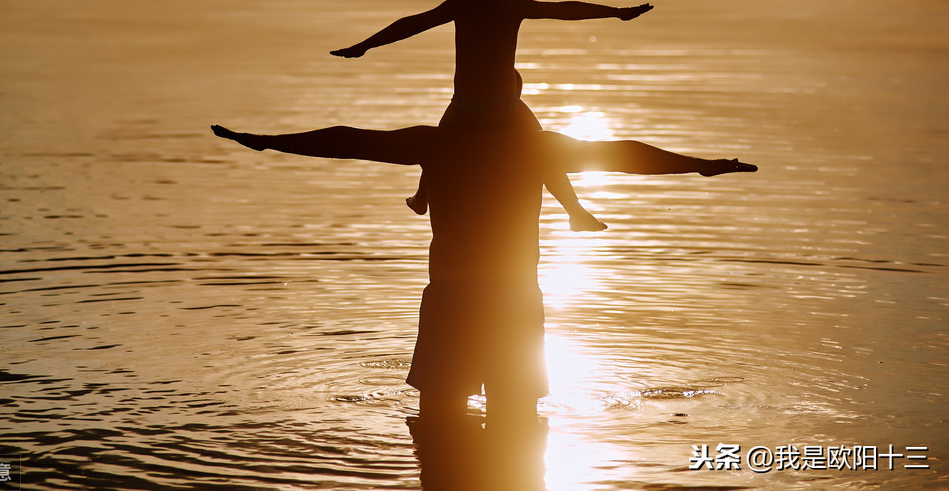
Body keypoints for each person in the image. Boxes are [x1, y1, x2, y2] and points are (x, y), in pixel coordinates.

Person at [210, 122, 756, 421]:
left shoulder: (438, 143)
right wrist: (700, 165)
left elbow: (350, 140)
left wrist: (269, 142)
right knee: (513, 420)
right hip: (511, 296)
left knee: (440, 416)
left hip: (453, 293)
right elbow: (620, 154)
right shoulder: (534, 148)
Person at [330, 0, 653, 231]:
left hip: (468, 106)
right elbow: (564, 9)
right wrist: (615, 13)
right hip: (505, 107)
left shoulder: (460, 7)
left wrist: (366, 45)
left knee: (438, 145)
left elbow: (412, 24)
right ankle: (574, 210)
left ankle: (422, 198)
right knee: (543, 154)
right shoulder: (512, 8)